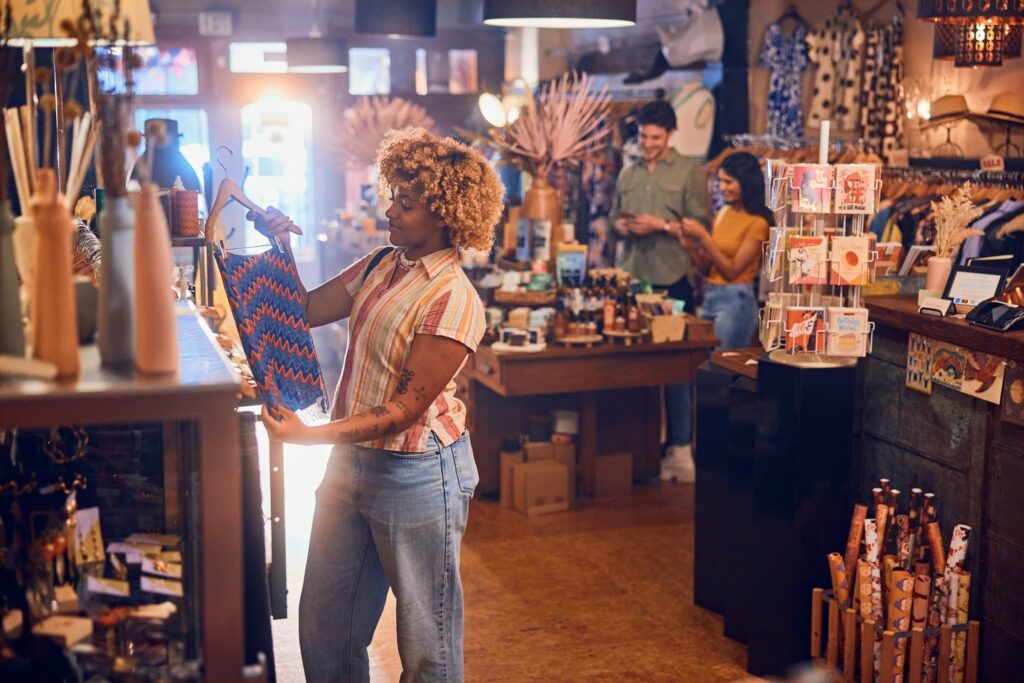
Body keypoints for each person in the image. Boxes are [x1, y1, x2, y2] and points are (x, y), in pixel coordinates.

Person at [256, 129, 504, 682]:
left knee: (426, 644)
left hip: (417, 473)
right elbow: (302, 309)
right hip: (353, 463)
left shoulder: (453, 297)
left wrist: (307, 436)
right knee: (326, 627)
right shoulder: (379, 264)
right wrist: (280, 245)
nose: (389, 210)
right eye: (392, 195)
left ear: (444, 215)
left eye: (406, 203)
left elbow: (405, 409)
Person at [609, 99, 710, 483]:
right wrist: (622, 227)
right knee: (633, 366)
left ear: (669, 135)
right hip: (633, 279)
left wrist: (661, 226)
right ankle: (641, 449)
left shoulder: (690, 172)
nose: (648, 143)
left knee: (675, 367)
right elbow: (614, 217)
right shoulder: (628, 173)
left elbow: (701, 225)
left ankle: (681, 448)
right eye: (643, 136)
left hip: (673, 279)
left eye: (655, 137)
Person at [679, 151, 773, 350]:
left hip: (736, 301)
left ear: (746, 182)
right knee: (698, 363)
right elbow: (709, 268)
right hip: (711, 295)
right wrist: (690, 248)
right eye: (720, 181)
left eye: (728, 182)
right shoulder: (724, 212)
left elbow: (732, 271)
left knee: (720, 369)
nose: (722, 188)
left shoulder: (758, 223)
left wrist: (704, 236)